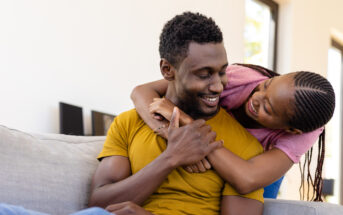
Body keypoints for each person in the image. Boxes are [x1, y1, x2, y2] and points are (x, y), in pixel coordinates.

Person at [88, 12, 265, 215]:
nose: (217, 86)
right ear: (167, 70)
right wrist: (171, 158)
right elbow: (97, 205)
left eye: (222, 72)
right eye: (204, 74)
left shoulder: (245, 148)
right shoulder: (129, 122)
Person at [131, 63, 335, 201]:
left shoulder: (304, 132)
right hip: (210, 150)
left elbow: (247, 179)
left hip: (254, 166)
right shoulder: (236, 78)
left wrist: (188, 123)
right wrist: (173, 135)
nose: (257, 98)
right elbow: (141, 92)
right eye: (265, 86)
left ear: (291, 129)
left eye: (268, 108)